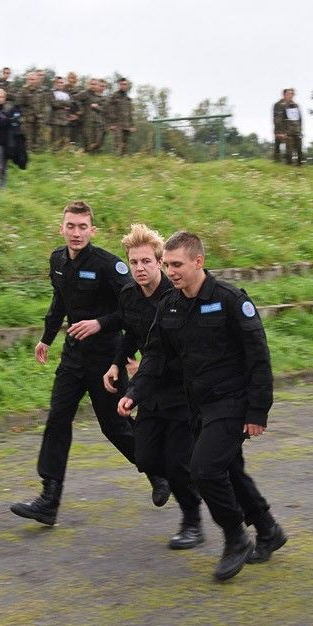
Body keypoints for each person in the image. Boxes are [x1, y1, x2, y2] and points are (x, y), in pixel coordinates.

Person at [118, 231, 286, 581]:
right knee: (230, 470)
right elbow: (156, 357)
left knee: (205, 470)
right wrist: (135, 392)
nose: (172, 272)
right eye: (168, 265)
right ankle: (268, 529)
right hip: (198, 405)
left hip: (233, 402)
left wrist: (258, 412)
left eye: (177, 265)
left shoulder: (229, 299)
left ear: (199, 262)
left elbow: (259, 357)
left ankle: (235, 536)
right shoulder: (171, 304)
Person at [10, 201, 167, 526]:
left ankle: (160, 471)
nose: (77, 232)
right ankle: (49, 500)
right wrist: (46, 337)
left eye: (83, 227)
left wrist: (100, 324)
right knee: (57, 419)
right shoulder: (57, 260)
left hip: (106, 356)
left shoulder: (109, 265)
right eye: (71, 226)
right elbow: (60, 300)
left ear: (92, 230)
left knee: (115, 426)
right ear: (62, 228)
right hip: (72, 356)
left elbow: (131, 306)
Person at [103, 224, 204, 550]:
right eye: (134, 262)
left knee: (176, 462)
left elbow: (187, 350)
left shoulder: (176, 297)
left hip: (179, 390)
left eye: (146, 261)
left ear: (160, 262)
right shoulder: (129, 294)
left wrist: (144, 370)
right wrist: (118, 363)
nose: (140, 268)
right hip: (148, 386)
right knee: (146, 458)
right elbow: (129, 333)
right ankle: (190, 478)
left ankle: (192, 521)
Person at [272, 89, 303, 165]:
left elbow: (299, 119)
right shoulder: (278, 105)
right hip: (282, 130)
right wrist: (280, 132)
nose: (291, 96)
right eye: (289, 94)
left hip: (294, 130)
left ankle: (299, 166)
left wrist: (299, 130)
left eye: (292, 94)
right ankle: (276, 164)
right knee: (278, 149)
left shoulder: (295, 105)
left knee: (298, 149)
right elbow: (277, 119)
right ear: (284, 95)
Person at [107, 78, 135, 156]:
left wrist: (132, 125)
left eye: (125, 84)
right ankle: (115, 161)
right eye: (122, 84)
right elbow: (109, 110)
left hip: (127, 126)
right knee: (117, 145)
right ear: (119, 85)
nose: (124, 86)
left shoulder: (128, 99)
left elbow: (130, 113)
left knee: (125, 146)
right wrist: (111, 124)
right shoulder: (114, 96)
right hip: (117, 125)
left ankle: (122, 164)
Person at [82, 79, 107, 154]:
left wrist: (97, 107)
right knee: (88, 143)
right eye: (100, 86)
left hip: (100, 124)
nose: (101, 88)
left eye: (103, 86)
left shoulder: (105, 98)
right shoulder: (87, 95)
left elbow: (105, 110)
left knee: (98, 144)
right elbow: (76, 99)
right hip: (88, 123)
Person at [50, 77, 72, 152]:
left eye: (61, 82)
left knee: (65, 140)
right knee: (55, 140)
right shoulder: (52, 93)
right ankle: (54, 155)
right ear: (55, 83)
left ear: (64, 84)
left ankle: (63, 156)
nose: (60, 84)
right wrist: (64, 105)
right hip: (55, 120)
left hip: (65, 120)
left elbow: (70, 103)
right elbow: (53, 103)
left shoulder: (67, 94)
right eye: (58, 82)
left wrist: (60, 103)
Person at [63, 72, 82, 147]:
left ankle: (72, 150)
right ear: (67, 79)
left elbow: (81, 103)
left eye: (73, 78)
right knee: (65, 136)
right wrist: (67, 115)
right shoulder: (64, 89)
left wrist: (78, 115)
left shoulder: (79, 89)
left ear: (76, 79)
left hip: (76, 117)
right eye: (70, 78)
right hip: (65, 116)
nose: (71, 80)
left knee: (74, 137)